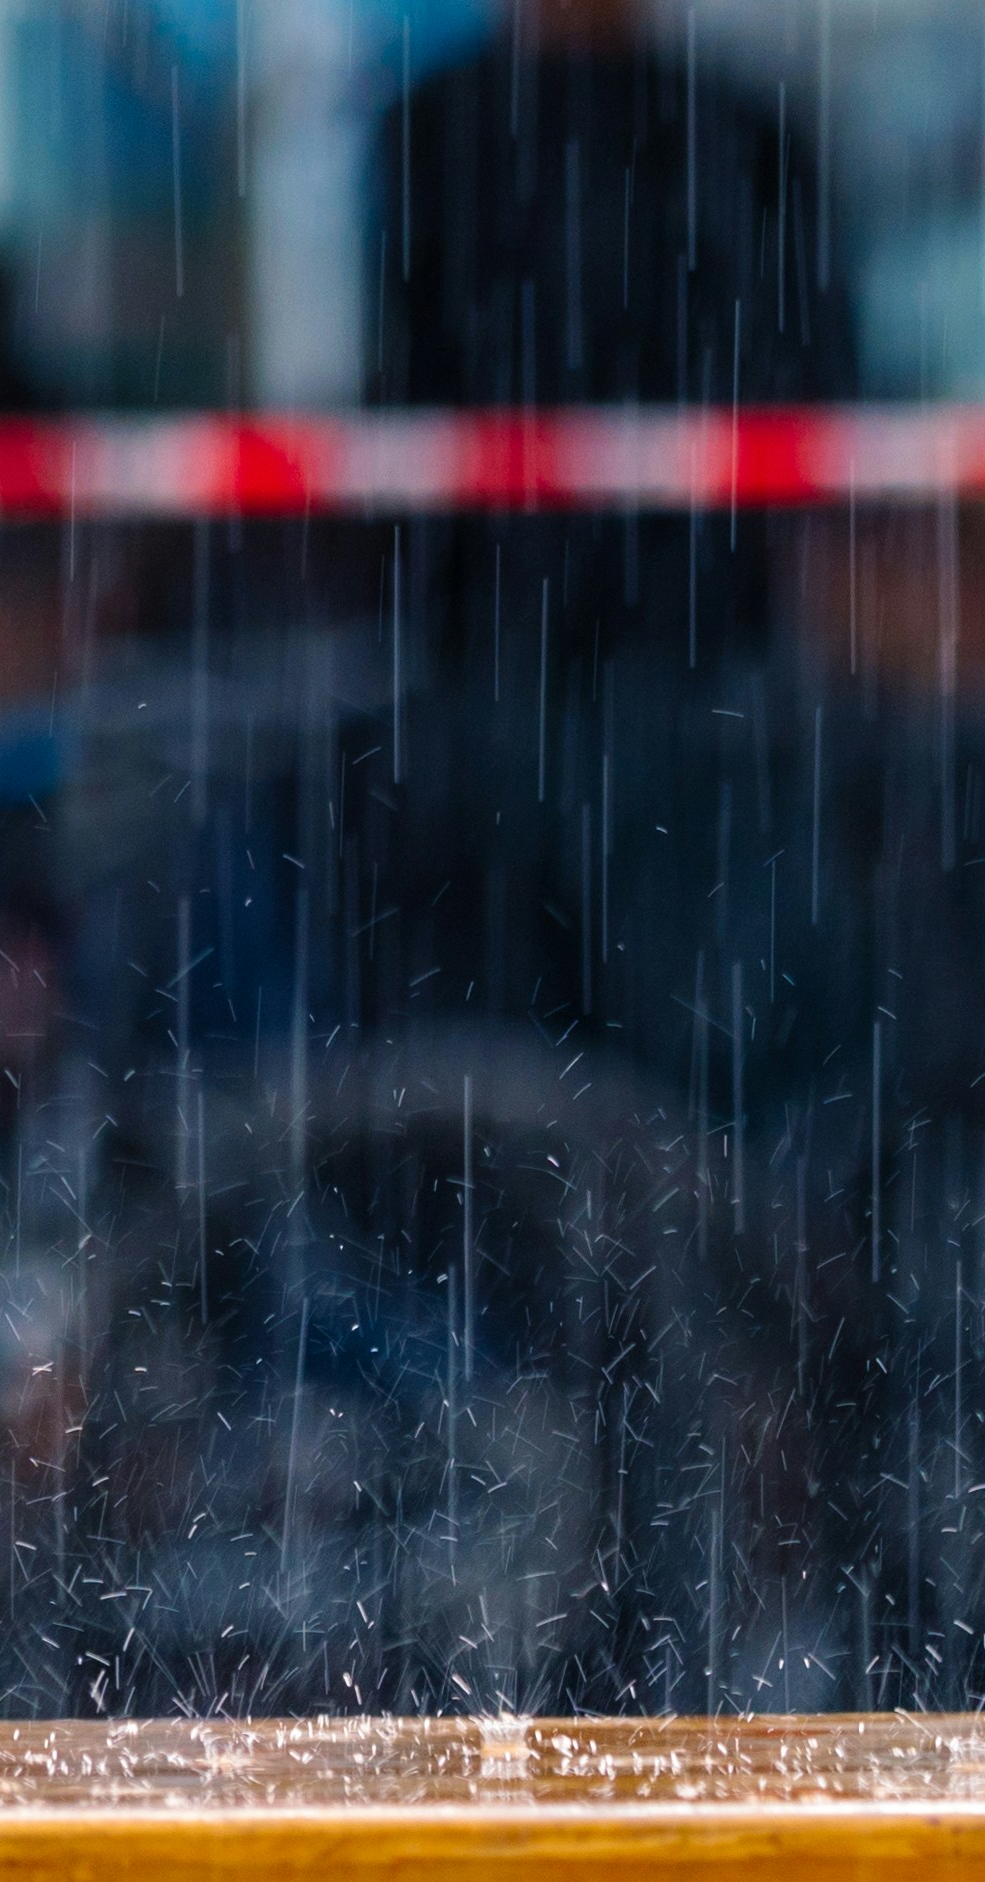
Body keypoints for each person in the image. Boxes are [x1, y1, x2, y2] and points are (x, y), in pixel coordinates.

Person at [357, 0, 857, 1110]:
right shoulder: (438, 134)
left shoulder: (739, 137)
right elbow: (405, 407)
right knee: (507, 1075)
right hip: (511, 675)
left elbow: (809, 408)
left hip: (673, 675)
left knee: (673, 1066)